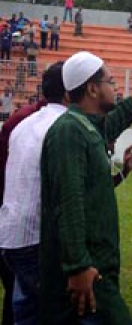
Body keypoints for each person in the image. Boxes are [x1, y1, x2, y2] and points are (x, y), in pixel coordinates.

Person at [39, 51, 132, 325]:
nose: (116, 88)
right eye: (111, 81)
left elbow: (110, 125)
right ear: (92, 88)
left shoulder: (87, 127)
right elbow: (69, 200)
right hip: (87, 271)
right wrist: (78, 267)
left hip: (96, 266)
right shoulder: (69, 131)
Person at [0, 62, 67, 325]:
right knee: (39, 307)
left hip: (12, 227)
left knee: (22, 301)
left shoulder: (24, 121)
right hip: (33, 233)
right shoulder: (58, 126)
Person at [0, 86, 48, 325]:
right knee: (24, 298)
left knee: (17, 295)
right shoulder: (27, 122)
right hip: (21, 223)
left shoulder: (24, 120)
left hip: (11, 219)